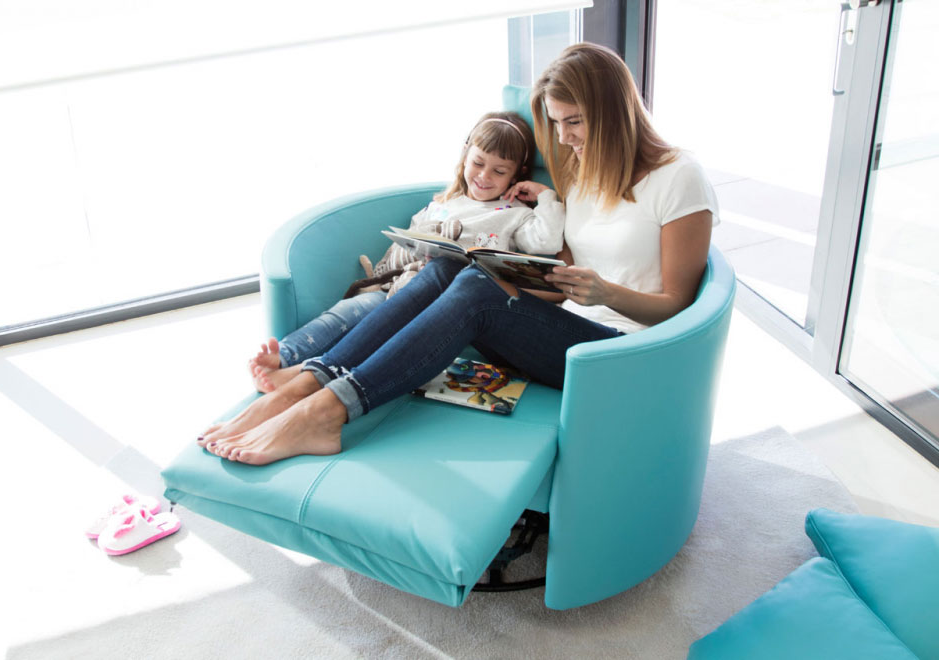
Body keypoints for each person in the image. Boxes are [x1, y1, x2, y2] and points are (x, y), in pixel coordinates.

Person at [200, 42, 718, 465]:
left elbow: (679, 306)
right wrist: (510, 271)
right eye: (556, 123)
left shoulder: (678, 178)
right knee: (454, 266)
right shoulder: (584, 173)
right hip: (570, 329)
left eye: (574, 122)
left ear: (613, 112)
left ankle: (325, 414)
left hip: (626, 354)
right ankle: (310, 382)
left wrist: (606, 293)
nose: (563, 139)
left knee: (473, 290)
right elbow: (562, 280)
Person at [243, 111, 565, 394]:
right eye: (478, 163)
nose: (483, 176)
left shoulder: (515, 214)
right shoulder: (444, 203)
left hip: (446, 309)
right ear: (465, 156)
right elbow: (409, 242)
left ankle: (312, 374)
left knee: (376, 335)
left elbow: (548, 242)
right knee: (348, 312)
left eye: (499, 171)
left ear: (517, 175)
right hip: (400, 288)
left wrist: (545, 196)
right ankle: (286, 354)